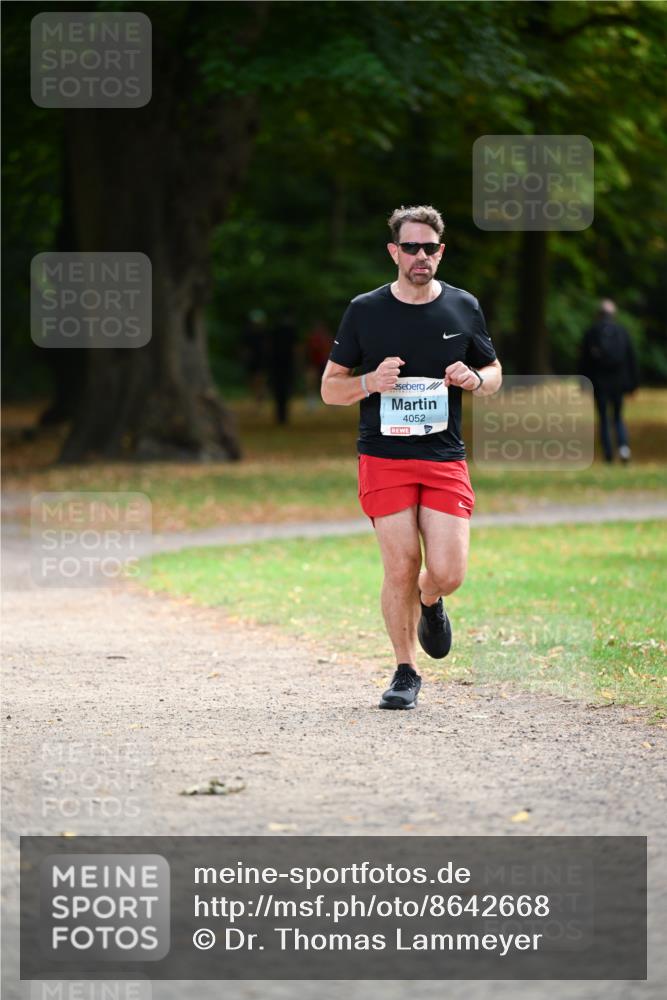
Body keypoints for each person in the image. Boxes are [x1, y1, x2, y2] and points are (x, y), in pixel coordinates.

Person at [321, 205, 502, 709]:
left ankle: (431, 599)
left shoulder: (464, 306)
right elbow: (329, 389)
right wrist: (368, 382)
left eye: (429, 248)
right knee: (400, 564)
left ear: (440, 253)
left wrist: (476, 379)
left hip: (443, 456)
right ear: (393, 251)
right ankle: (405, 671)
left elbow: (494, 371)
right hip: (383, 457)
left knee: (448, 571)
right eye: (410, 247)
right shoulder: (365, 310)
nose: (420, 256)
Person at [580, 299, 639, 463]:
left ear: (599, 314)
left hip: (599, 384)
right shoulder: (622, 332)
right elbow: (631, 359)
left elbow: (584, 361)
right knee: (618, 416)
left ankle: (608, 454)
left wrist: (583, 383)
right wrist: (633, 384)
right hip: (619, 383)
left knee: (604, 418)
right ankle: (623, 447)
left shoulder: (591, 332)